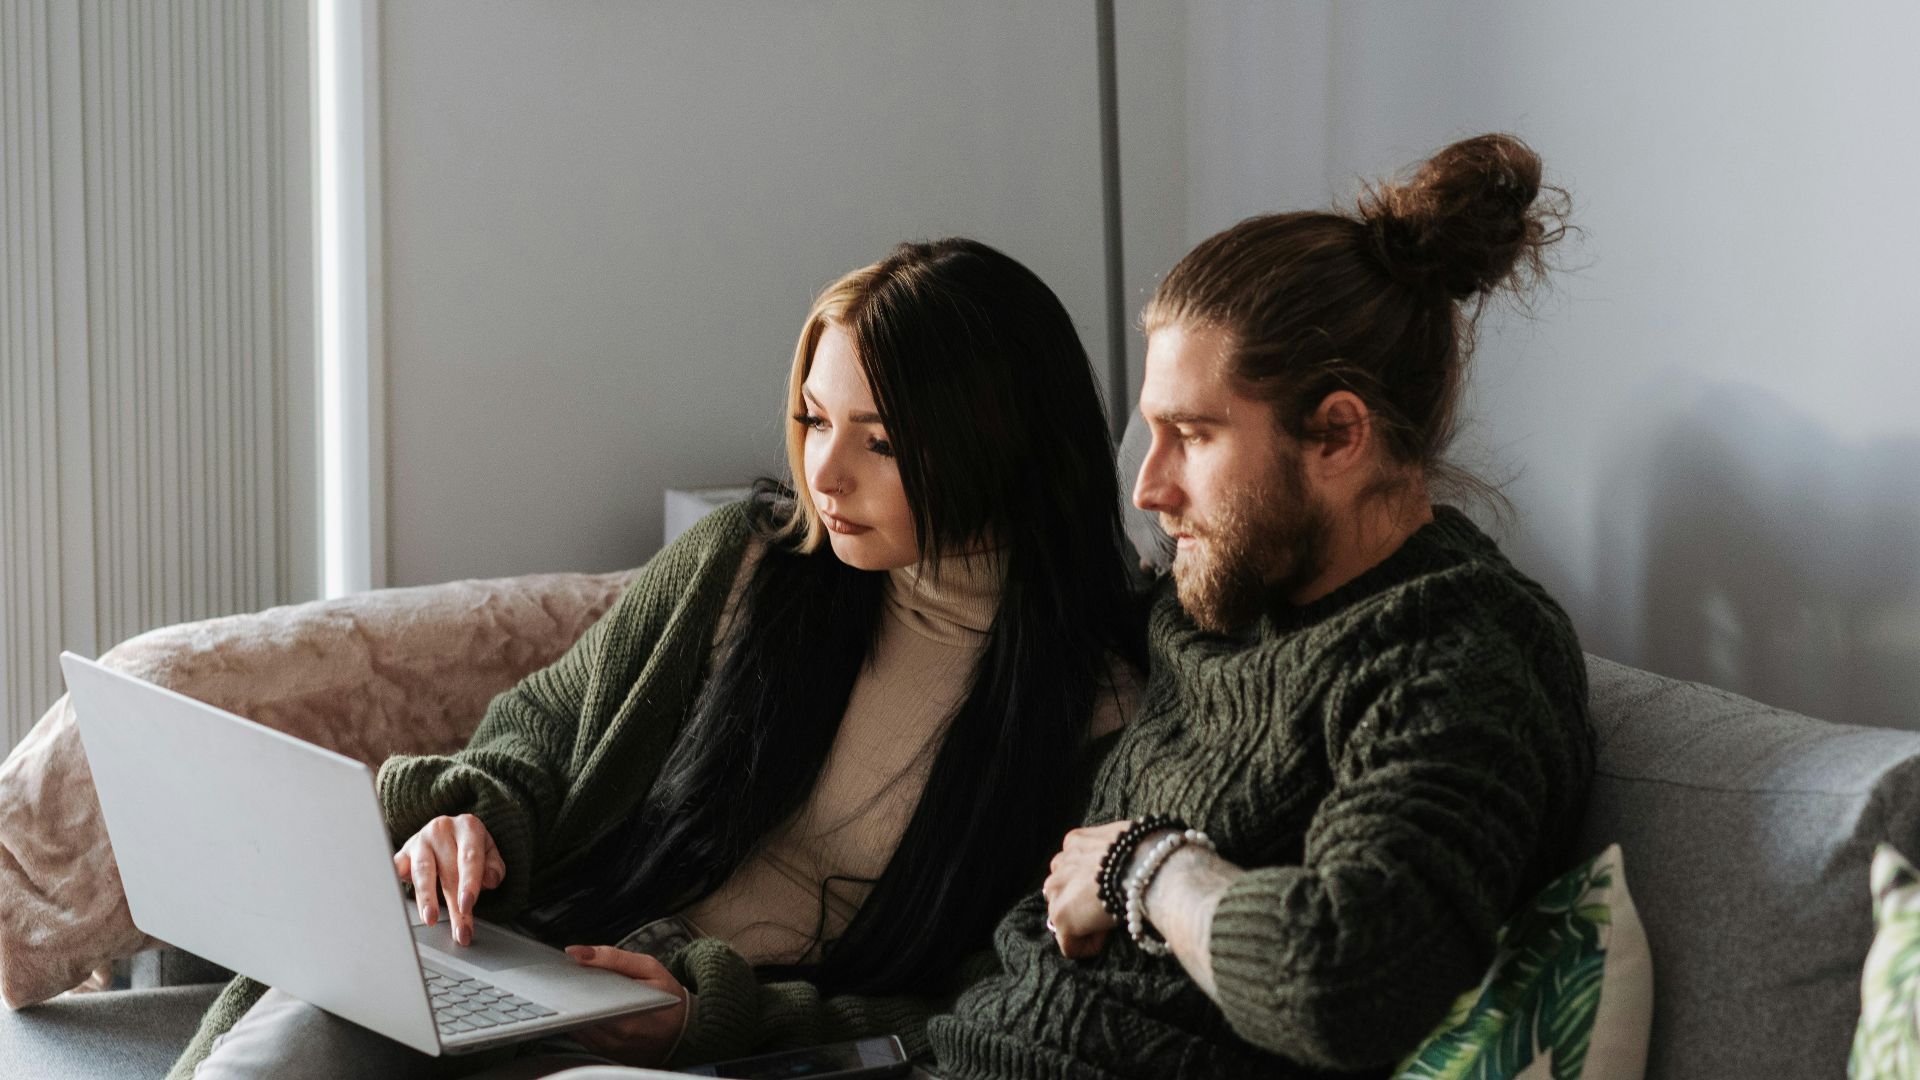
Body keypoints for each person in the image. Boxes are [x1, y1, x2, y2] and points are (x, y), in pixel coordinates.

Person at [171, 238, 1145, 1079]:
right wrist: (470, 820)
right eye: (813, 420)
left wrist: (705, 1015)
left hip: (711, 1049)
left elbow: (996, 1010)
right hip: (536, 951)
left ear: (1002, 443)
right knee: (311, 1019)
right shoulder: (748, 562)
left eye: (881, 440)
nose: (825, 472)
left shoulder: (1097, 713)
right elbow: (543, 729)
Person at [923, 134, 1595, 1079]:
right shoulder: (1231, 597)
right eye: (1150, 434)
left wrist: (1144, 867)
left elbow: (1349, 984)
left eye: (1191, 435)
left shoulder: (1455, 652)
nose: (1149, 488)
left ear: (1337, 434)